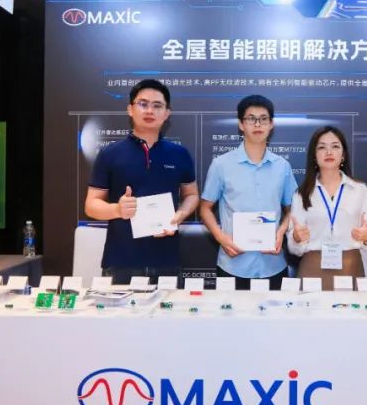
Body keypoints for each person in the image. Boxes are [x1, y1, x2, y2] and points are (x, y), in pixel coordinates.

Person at [83, 79, 198, 284]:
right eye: (143, 104)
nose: (150, 111)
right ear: (130, 109)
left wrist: (180, 215)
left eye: (157, 105)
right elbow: (91, 205)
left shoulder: (180, 154)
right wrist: (117, 210)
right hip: (121, 262)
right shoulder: (110, 154)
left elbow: (192, 195)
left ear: (167, 113)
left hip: (167, 261)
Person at [199, 95, 298, 290]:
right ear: (241, 124)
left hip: (273, 264)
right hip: (233, 264)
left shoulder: (282, 166)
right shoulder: (221, 165)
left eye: (263, 119)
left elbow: (293, 209)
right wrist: (221, 237)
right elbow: (204, 208)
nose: (257, 124)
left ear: (271, 124)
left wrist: (280, 232)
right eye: (251, 118)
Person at [287, 126, 367, 289]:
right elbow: (293, 248)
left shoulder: (360, 190)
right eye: (322, 147)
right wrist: (296, 237)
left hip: (350, 268)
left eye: (335, 146)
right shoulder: (301, 194)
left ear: (343, 155)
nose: (329, 152)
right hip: (312, 269)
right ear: (314, 156)